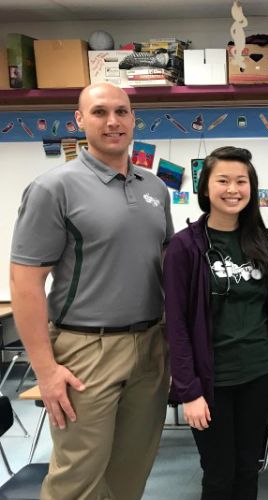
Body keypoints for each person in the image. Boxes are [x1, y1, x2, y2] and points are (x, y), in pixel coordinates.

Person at [9, 82, 173, 500]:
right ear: (79, 120)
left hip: (152, 345)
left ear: (134, 119)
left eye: (122, 111)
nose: (113, 121)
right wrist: (45, 370)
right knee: (77, 479)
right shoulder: (54, 188)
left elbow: (167, 265)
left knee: (131, 472)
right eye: (100, 112)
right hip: (86, 350)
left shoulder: (154, 188)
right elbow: (25, 283)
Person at [163, 146, 268, 500]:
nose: (233, 189)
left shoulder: (260, 240)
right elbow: (178, 326)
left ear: (252, 187)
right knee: (218, 474)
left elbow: (267, 310)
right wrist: (190, 391)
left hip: (259, 375)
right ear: (205, 189)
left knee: (249, 468)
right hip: (213, 382)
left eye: (241, 181)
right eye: (223, 181)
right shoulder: (184, 247)